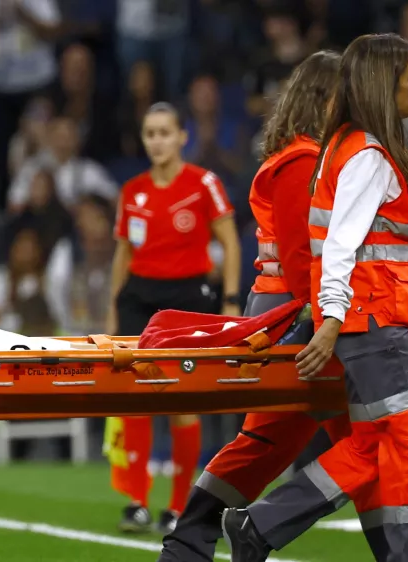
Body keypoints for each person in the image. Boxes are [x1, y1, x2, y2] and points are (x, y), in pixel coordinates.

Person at [220, 33, 408, 562]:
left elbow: (399, 207)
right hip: (373, 324)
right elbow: (339, 247)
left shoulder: (354, 149)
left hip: (370, 324)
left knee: (373, 447)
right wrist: (330, 320)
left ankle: (260, 526)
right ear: (382, 84)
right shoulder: (366, 156)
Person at [156, 50, 349, 562]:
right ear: (326, 99)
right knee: (368, 444)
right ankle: (251, 527)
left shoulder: (305, 158)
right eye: (346, 98)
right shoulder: (303, 161)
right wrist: (332, 320)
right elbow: (301, 258)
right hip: (297, 316)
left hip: (291, 312)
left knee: (268, 446)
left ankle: (190, 542)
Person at [105, 101, 241, 534]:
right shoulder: (132, 191)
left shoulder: (204, 184)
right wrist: (113, 309)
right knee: (136, 398)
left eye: (165, 132)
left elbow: (231, 243)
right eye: (150, 134)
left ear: (183, 137)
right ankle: (137, 501)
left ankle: (179, 505)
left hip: (189, 296)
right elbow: (123, 254)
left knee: (183, 400)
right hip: (139, 297)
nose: (157, 141)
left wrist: (232, 301)